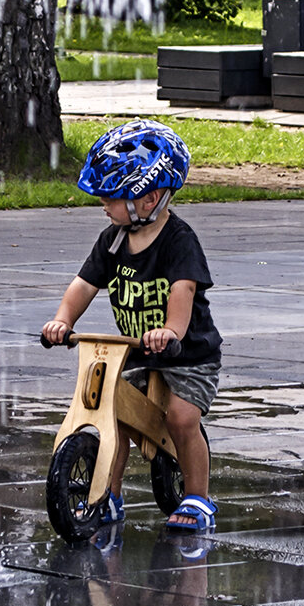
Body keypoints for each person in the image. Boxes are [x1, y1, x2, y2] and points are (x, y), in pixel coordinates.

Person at [41, 119, 221, 531]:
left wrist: (171, 331)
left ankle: (197, 498)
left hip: (188, 355)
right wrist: (62, 320)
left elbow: (184, 290)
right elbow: (83, 285)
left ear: (149, 198)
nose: (103, 204)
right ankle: (109, 496)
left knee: (179, 418)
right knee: (112, 411)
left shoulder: (179, 240)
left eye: (112, 196)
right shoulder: (113, 239)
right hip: (138, 351)